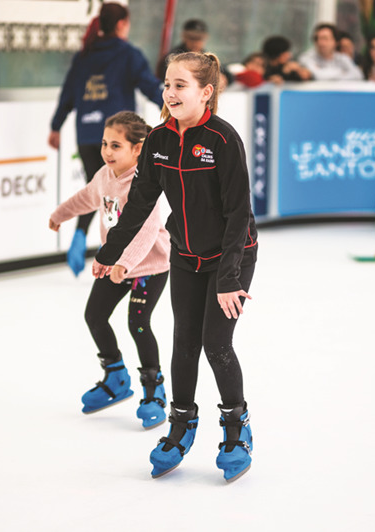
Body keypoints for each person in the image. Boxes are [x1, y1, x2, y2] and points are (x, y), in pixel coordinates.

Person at [93, 52, 259, 483]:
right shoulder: (161, 141)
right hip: (185, 254)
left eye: (180, 85)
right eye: (167, 83)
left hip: (232, 255)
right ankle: (180, 425)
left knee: (215, 344)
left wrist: (228, 278)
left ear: (206, 92)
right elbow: (140, 203)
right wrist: (110, 252)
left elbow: (239, 213)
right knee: (183, 344)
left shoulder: (222, 140)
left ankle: (237, 428)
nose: (170, 92)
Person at [48, 111, 171, 429]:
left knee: (138, 323)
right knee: (95, 315)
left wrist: (125, 264)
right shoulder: (104, 175)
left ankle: (154, 389)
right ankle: (116, 376)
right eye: (104, 144)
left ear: (138, 149)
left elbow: (146, 230)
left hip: (149, 266)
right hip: (115, 264)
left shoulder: (147, 182)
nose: (107, 151)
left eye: (115, 145)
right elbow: (86, 198)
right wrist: (61, 214)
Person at [48, 3, 163, 278]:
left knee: (99, 187)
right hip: (118, 138)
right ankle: (101, 246)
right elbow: (149, 86)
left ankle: (83, 237)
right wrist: (176, 112)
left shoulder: (85, 55)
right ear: (122, 24)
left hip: (89, 135)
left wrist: (56, 126)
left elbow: (68, 94)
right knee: (110, 191)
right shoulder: (128, 54)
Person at [156, 19, 233, 90]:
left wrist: (222, 78)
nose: (195, 42)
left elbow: (227, 74)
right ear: (184, 37)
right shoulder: (174, 58)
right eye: (192, 38)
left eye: (199, 38)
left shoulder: (206, 57)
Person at [298, 23, 364, 80]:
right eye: (317, 39)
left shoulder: (342, 58)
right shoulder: (306, 58)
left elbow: (358, 75)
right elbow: (319, 76)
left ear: (335, 42)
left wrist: (326, 73)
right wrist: (341, 72)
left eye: (325, 39)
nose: (320, 43)